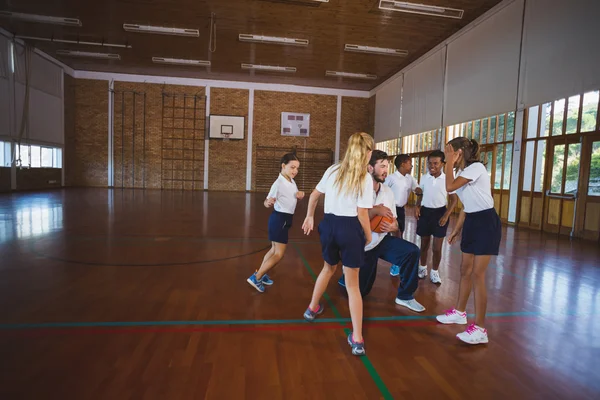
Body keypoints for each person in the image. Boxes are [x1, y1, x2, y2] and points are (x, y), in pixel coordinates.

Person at [301, 132, 374, 356]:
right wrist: (368, 235)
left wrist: (310, 216)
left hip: (329, 226)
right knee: (353, 285)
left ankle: (312, 308)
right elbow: (362, 214)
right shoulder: (365, 177)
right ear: (367, 152)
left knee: (327, 268)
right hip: (350, 228)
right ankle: (358, 339)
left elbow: (314, 196)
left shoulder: (333, 170)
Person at [337, 150, 424, 312]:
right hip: (362, 245)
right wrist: (375, 210)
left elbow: (395, 221)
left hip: (381, 240)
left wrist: (393, 226)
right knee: (361, 292)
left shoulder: (387, 192)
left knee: (411, 252)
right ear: (370, 168)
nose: (386, 170)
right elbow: (352, 222)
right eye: (382, 166)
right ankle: (347, 273)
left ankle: (405, 296)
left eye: (387, 166)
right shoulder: (355, 190)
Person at [436, 137, 501, 345]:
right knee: (465, 270)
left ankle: (481, 329)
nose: (448, 155)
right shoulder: (464, 173)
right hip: (472, 220)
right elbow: (466, 206)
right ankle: (460, 312)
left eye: (450, 151)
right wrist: (456, 230)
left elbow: (449, 187)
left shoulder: (476, 168)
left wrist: (447, 163)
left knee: (477, 275)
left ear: (459, 153)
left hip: (486, 222)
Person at [247, 153, 305, 292]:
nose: (295, 171)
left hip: (284, 219)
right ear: (283, 166)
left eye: (297, 168)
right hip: (280, 219)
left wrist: (299, 195)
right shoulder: (278, 183)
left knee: (273, 250)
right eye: (292, 167)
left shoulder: (291, 181)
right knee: (279, 254)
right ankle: (257, 277)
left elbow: (294, 195)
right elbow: (266, 203)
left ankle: (260, 273)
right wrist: (269, 202)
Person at [415, 150, 458, 284]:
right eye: (430, 163)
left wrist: (446, 215)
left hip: (440, 213)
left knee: (437, 248)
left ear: (443, 164)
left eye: (435, 163)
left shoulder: (447, 179)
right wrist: (417, 206)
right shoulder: (424, 177)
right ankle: (422, 268)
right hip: (425, 213)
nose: (432, 166)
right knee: (424, 244)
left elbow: (454, 200)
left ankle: (434, 272)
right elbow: (420, 194)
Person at [384, 154, 422, 277]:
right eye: (409, 163)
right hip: (389, 209)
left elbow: (416, 189)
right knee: (390, 233)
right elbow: (381, 191)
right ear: (402, 164)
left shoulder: (409, 178)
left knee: (399, 233)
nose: (411, 166)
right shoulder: (391, 178)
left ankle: (396, 262)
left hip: (400, 210)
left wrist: (418, 191)